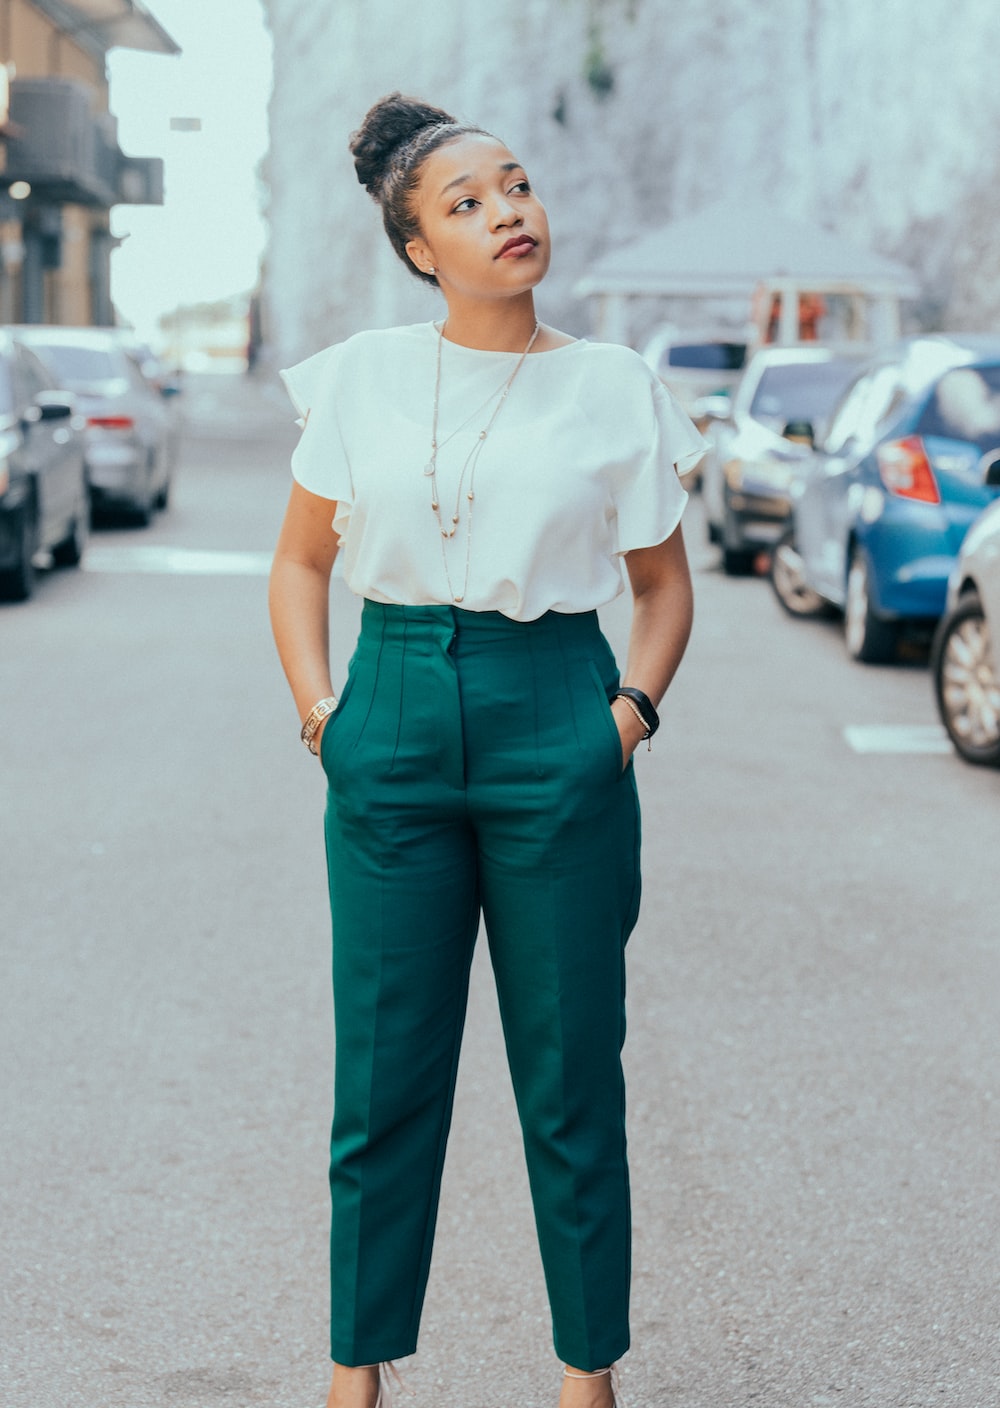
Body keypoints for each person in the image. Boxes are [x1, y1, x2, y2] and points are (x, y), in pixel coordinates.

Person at [268, 92, 706, 1408]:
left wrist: (624, 719)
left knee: (571, 1077)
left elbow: (663, 590)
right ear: (420, 249)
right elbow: (300, 565)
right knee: (383, 1076)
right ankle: (356, 1370)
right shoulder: (360, 376)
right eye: (467, 202)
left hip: (555, 708)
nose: (509, 212)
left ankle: (587, 1374)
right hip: (392, 709)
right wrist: (324, 715)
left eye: (516, 185)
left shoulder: (613, 386)